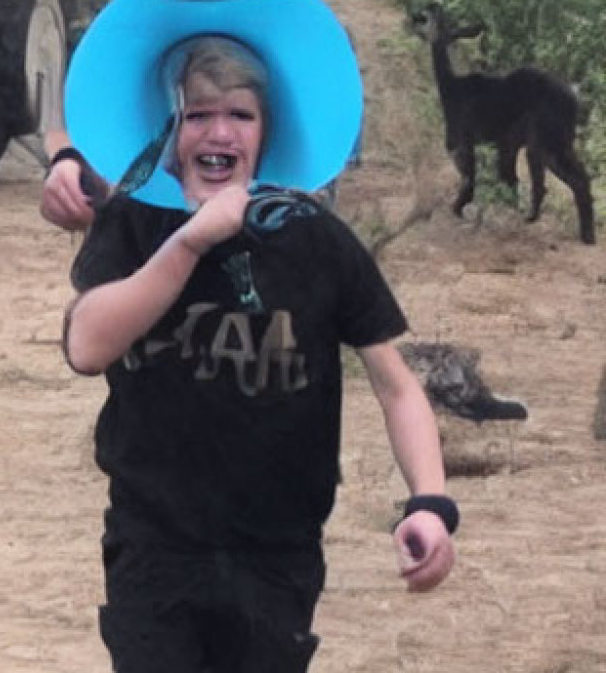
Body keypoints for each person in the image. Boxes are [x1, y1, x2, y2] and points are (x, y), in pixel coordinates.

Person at [64, 34, 456, 673]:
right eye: (197, 115)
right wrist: (189, 243)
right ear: (172, 131)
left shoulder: (315, 238)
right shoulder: (135, 225)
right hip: (154, 549)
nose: (219, 132)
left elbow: (396, 386)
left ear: (266, 134)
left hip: (277, 556)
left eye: (240, 115)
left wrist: (431, 503)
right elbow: (86, 344)